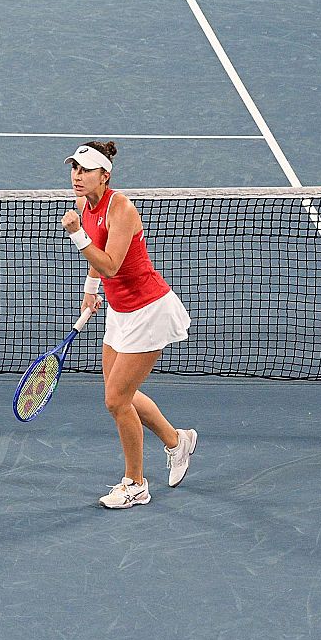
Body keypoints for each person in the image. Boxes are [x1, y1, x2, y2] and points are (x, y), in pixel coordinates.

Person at [61, 142, 198, 509]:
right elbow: (98, 266)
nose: (77, 176)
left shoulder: (121, 208)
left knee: (115, 399)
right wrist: (90, 291)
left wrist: (76, 235)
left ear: (105, 175)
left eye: (86, 170)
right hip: (119, 312)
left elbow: (110, 264)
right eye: (74, 168)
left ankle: (135, 484)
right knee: (119, 393)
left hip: (150, 311)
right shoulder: (82, 207)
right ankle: (176, 441)